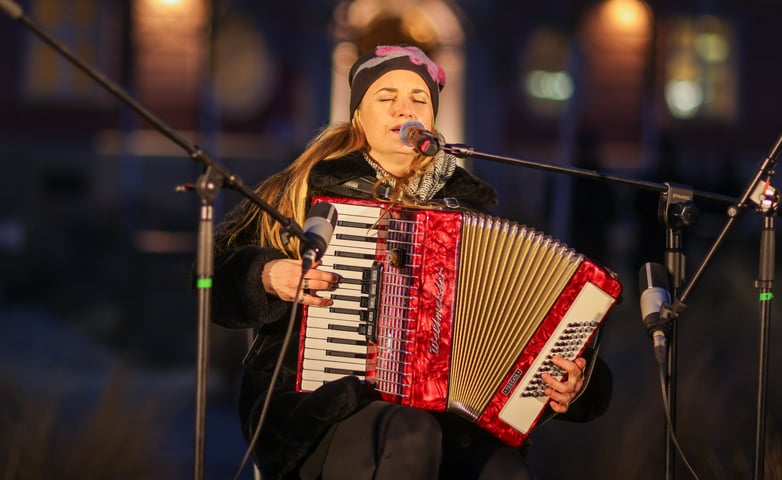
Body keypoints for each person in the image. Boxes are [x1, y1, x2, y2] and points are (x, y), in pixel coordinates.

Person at [212, 44, 612, 480]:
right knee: (410, 433)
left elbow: (534, 327)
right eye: (386, 98)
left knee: (504, 471)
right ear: (359, 116)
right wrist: (267, 275)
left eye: (419, 99)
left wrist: (577, 381)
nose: (405, 108)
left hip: (448, 423)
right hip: (320, 409)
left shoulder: (469, 215)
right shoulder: (301, 190)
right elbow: (210, 274)